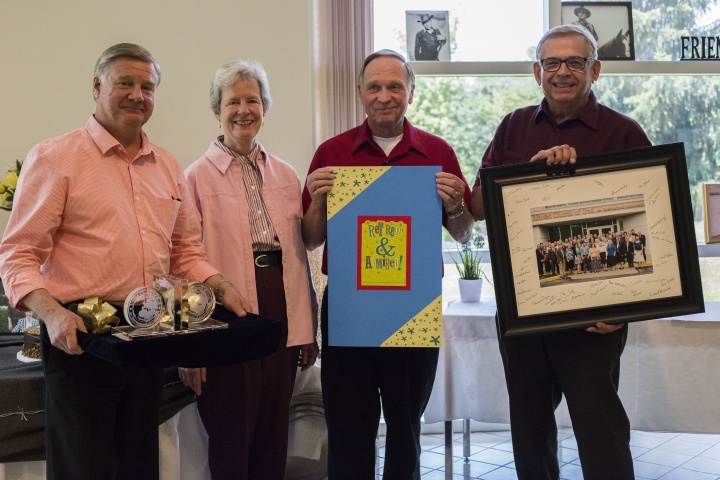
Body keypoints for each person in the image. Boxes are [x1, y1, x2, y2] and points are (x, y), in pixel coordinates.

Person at [0, 43, 251, 480]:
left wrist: (219, 284)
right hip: (79, 340)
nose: (138, 94)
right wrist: (52, 314)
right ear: (97, 87)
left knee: (137, 466)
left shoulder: (168, 166)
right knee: (83, 468)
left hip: (145, 336)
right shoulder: (55, 158)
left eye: (147, 86)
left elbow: (185, 251)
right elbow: (18, 253)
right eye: (125, 83)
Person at [470, 25, 650, 480]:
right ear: (537, 71)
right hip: (524, 311)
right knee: (529, 429)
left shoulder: (624, 133)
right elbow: (478, 206)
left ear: (596, 69)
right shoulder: (512, 126)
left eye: (575, 62)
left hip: (596, 315)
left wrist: (627, 307)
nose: (563, 72)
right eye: (552, 63)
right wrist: (523, 177)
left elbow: (656, 227)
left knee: (601, 429)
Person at [302, 49, 474, 480]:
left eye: (395, 86)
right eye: (374, 86)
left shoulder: (438, 152)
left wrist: (455, 207)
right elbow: (310, 237)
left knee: (405, 432)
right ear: (360, 93)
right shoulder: (331, 151)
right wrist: (319, 199)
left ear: (411, 93)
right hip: (349, 310)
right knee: (348, 431)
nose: (384, 96)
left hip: (412, 311)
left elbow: (464, 233)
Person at [179, 60, 319, 480]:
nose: (244, 109)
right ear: (216, 111)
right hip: (226, 312)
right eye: (233, 101)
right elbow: (183, 259)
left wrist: (307, 327)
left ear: (265, 107)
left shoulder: (286, 174)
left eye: (253, 100)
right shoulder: (194, 178)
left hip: (281, 302)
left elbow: (298, 254)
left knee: (274, 429)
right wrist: (190, 345)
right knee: (231, 431)